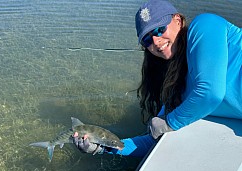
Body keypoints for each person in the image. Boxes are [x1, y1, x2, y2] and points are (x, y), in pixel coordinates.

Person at [73, 0, 242, 157]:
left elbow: (210, 93)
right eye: (147, 39)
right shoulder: (176, 87)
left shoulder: (204, 26)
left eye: (160, 29)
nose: (156, 40)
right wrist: (101, 147)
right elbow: (152, 139)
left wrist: (170, 121)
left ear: (178, 20)